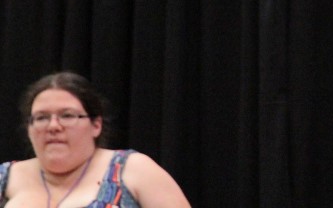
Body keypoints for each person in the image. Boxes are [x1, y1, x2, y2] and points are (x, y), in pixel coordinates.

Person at [0, 71, 191, 208]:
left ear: (96, 125)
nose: (53, 126)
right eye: (42, 118)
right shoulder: (5, 176)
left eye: (67, 115)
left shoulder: (133, 169)